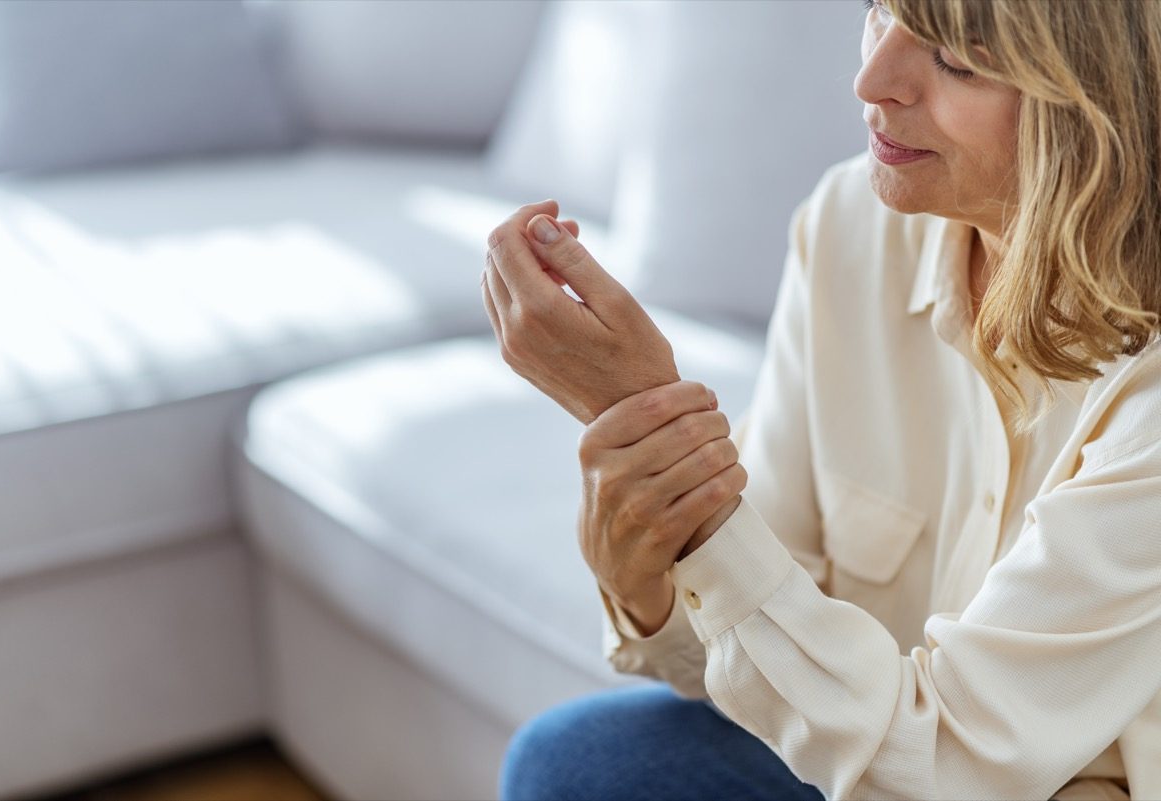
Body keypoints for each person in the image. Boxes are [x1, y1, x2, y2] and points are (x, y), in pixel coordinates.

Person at [479, 0, 1161, 798]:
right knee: (576, 763)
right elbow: (760, 646)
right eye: (882, 11)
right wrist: (651, 527)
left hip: (964, 769)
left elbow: (948, 765)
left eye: (959, 59)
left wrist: (662, 438)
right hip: (889, 751)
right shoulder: (849, 224)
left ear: (1103, 101)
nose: (872, 80)